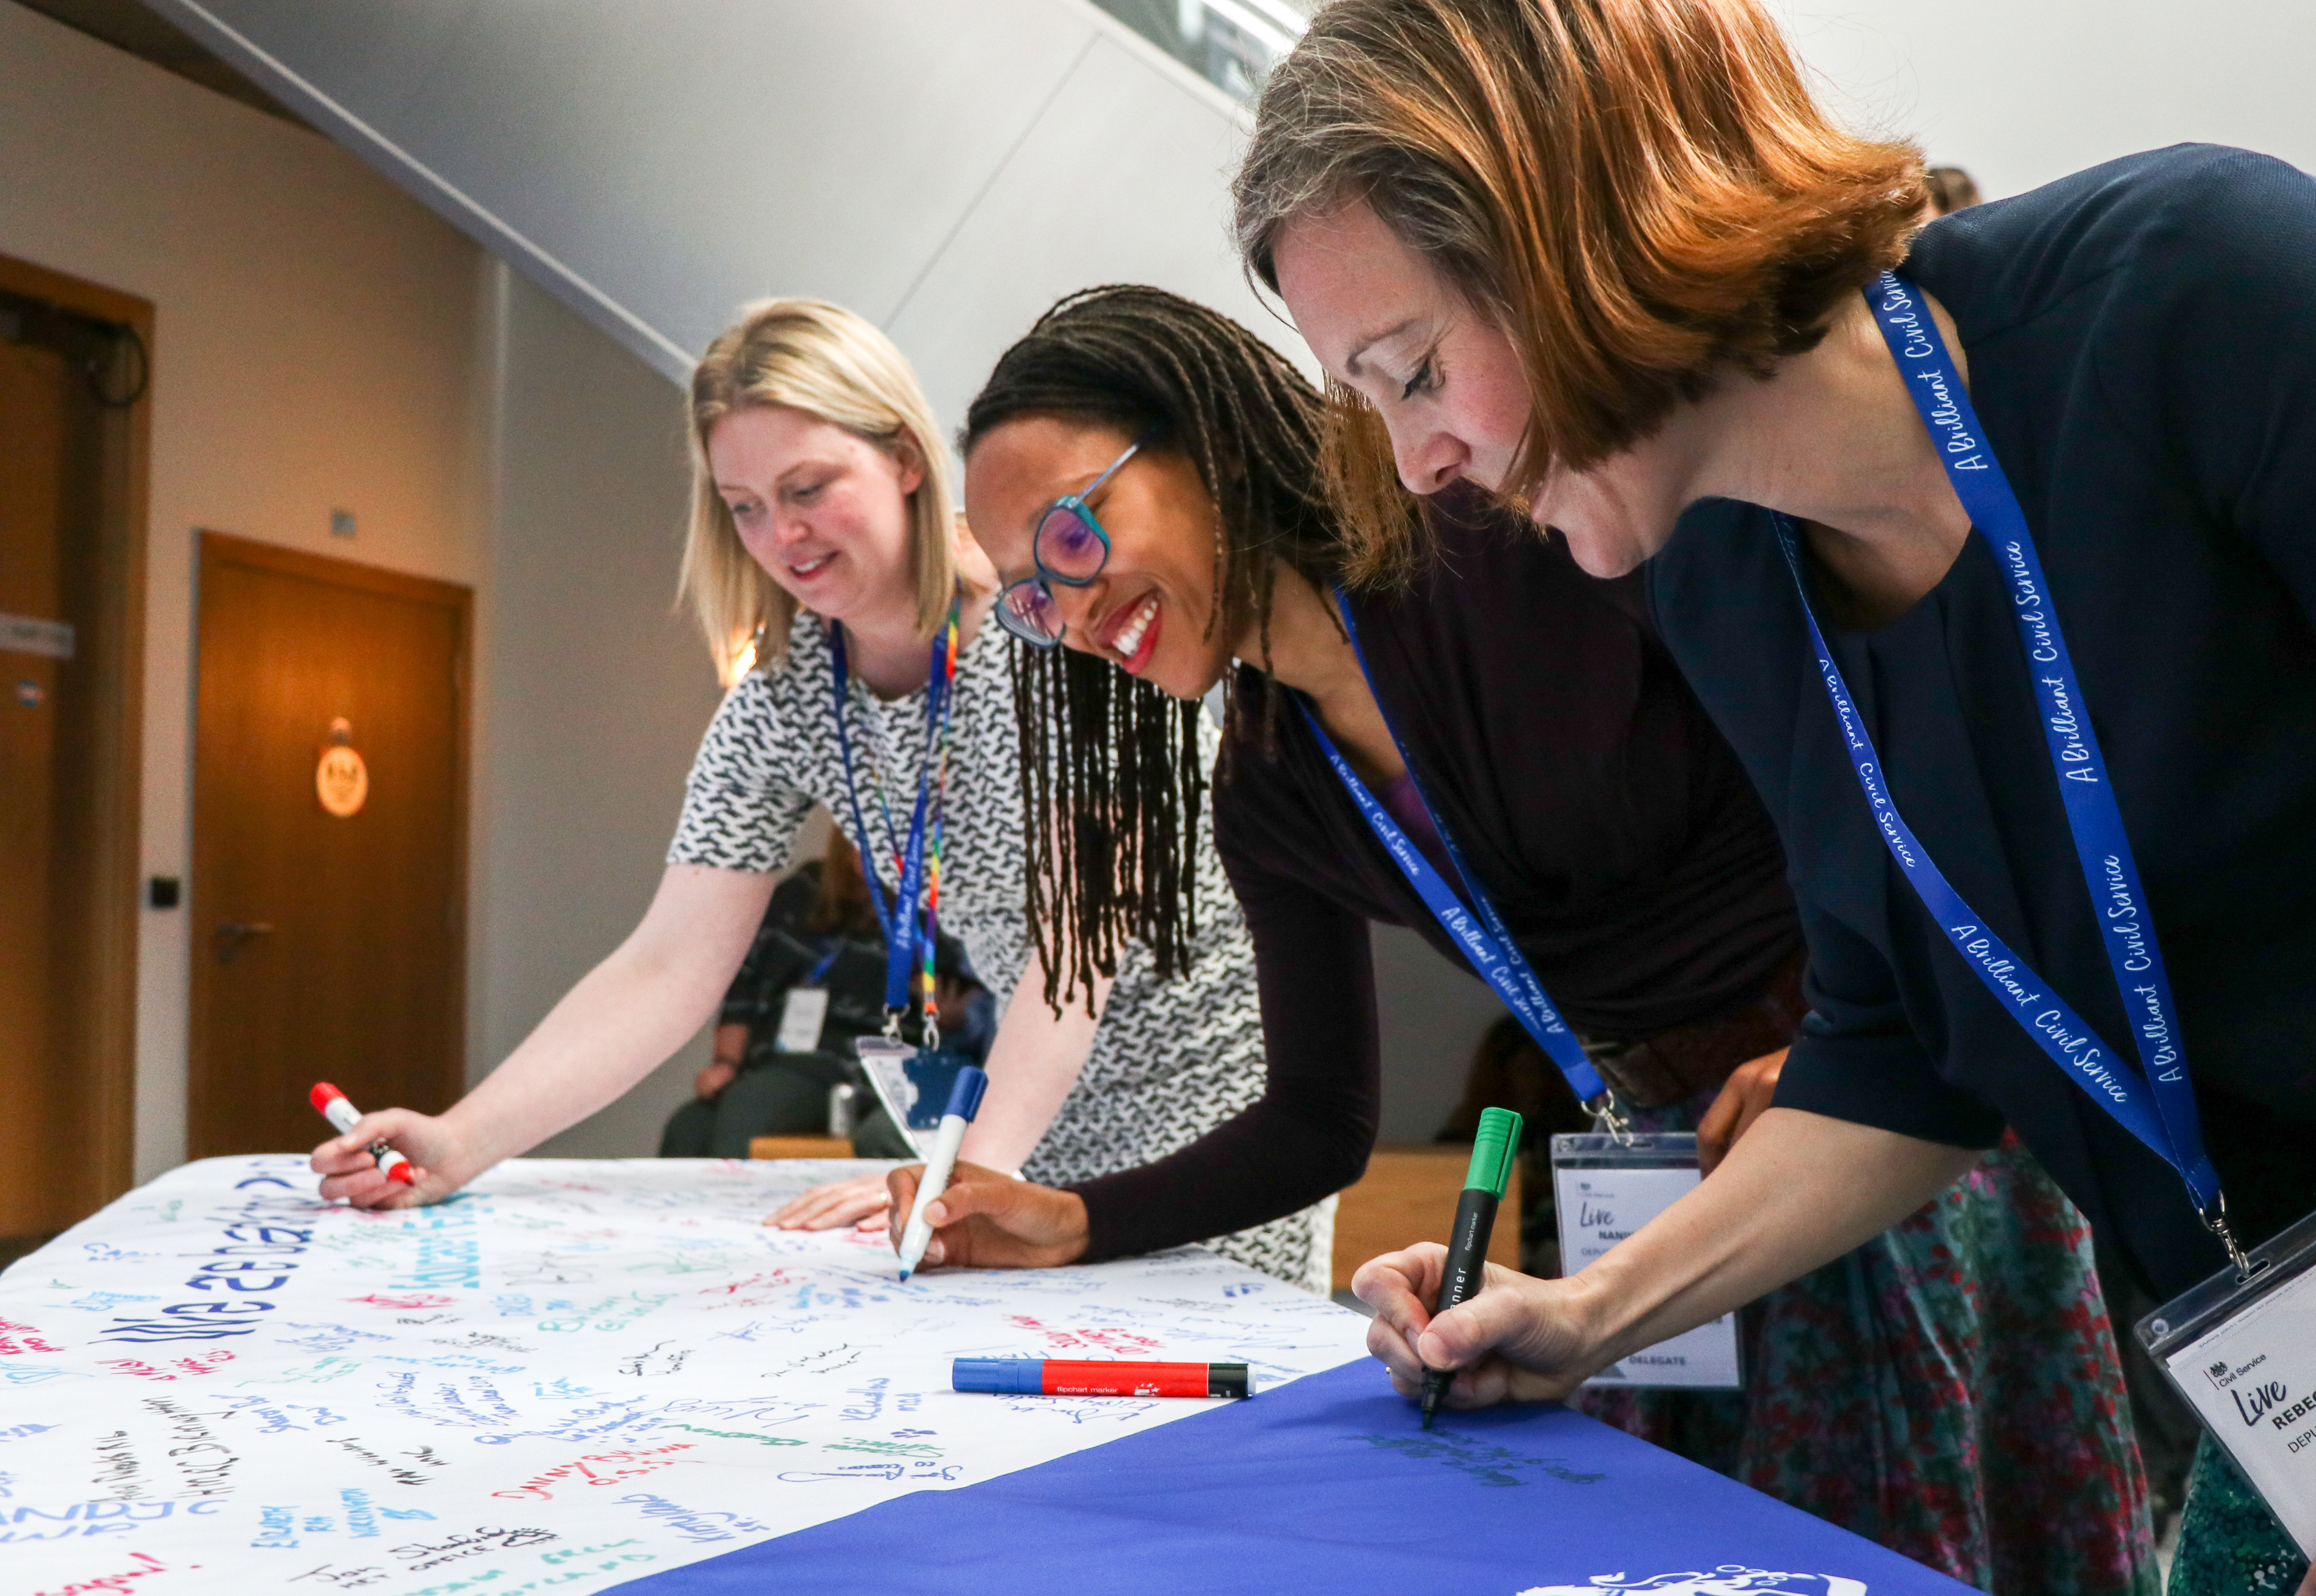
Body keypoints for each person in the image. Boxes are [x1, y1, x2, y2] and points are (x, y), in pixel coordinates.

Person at [1233, 0, 2316, 1585]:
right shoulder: (1725, 587)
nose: (1414, 467)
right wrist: (1586, 1316)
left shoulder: (2187, 296)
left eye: (1411, 373)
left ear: (1577, 227)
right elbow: (1892, 1055)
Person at [922, 283, 2149, 1586]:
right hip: (1660, 1191)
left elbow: (1868, 748)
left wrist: (1880, 1011)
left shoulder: (1504, 543)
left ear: (1201, 439)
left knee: (1919, 1542)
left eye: (1070, 532)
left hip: (1880, 1110)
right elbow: (1319, 1119)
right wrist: (1070, 1217)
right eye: (1025, 598)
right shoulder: (1272, 782)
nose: (1070, 608)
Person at [311, 297, 1333, 1294]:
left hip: (1212, 1129)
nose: (781, 534)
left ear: (901, 456)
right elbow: (668, 963)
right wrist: (459, 1139)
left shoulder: (1054, 623)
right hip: (1030, 1133)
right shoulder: (789, 696)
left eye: (808, 487)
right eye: (744, 505)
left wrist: (963, 1177)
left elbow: (1077, 953)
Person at [657, 831, 988, 1160]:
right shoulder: (802, 892)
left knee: (756, 1103)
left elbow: (974, 1013)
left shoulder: (932, 914)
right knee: (689, 1127)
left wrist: (953, 1017)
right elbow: (744, 987)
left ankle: (734, 1212)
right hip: (774, 1059)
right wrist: (725, 1063)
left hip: (862, 1064)